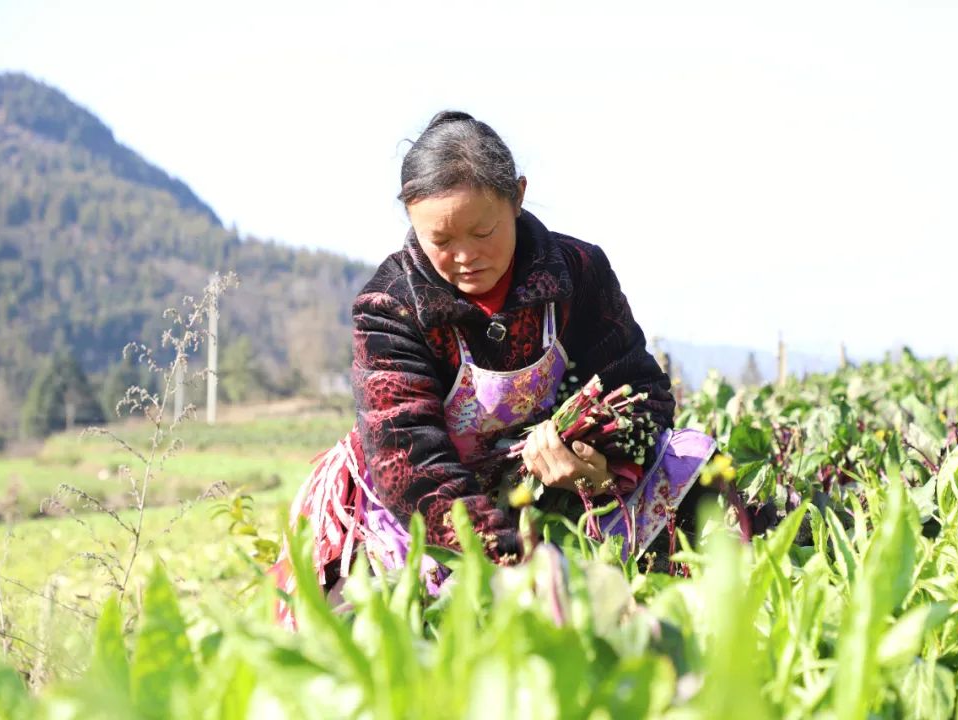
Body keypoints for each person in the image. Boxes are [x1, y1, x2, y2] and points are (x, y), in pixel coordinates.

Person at [271, 111, 715, 624]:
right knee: (355, 621)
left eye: (483, 231)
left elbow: (640, 389)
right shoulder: (391, 305)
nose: (464, 257)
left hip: (562, 486)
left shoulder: (578, 273)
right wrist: (513, 564)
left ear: (518, 195)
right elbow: (410, 465)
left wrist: (601, 462)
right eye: (441, 241)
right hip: (422, 508)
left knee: (701, 499)